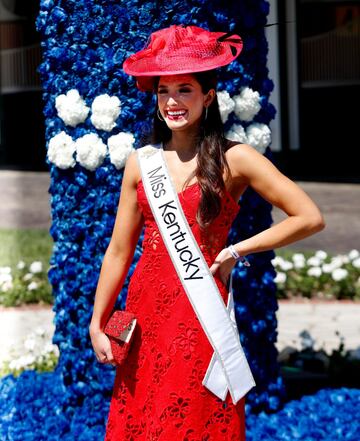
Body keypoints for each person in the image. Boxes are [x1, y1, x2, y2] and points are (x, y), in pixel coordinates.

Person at [89, 24, 325, 440]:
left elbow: (308, 215)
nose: (173, 101)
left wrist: (236, 250)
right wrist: (97, 321)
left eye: (185, 89)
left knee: (195, 416)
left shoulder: (237, 158)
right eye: (164, 91)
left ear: (208, 96)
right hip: (145, 313)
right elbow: (118, 251)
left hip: (200, 312)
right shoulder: (139, 163)